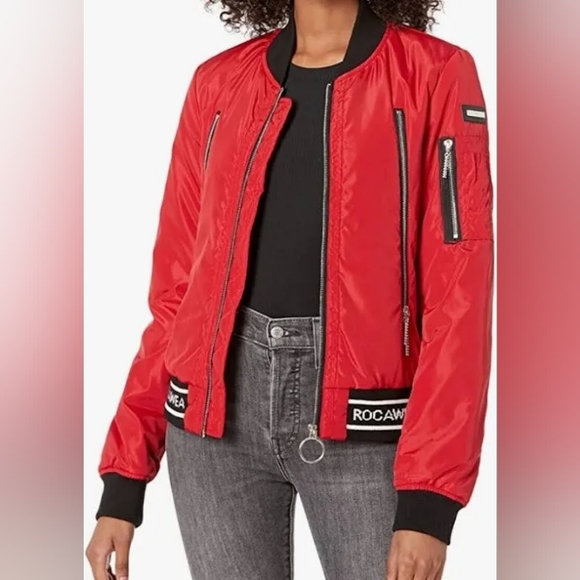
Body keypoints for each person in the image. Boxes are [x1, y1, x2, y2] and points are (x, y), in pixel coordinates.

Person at [86, 0, 494, 578]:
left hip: (368, 425)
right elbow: (178, 294)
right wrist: (124, 476)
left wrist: (430, 500)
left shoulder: (436, 73)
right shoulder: (218, 83)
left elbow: (460, 294)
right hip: (215, 428)